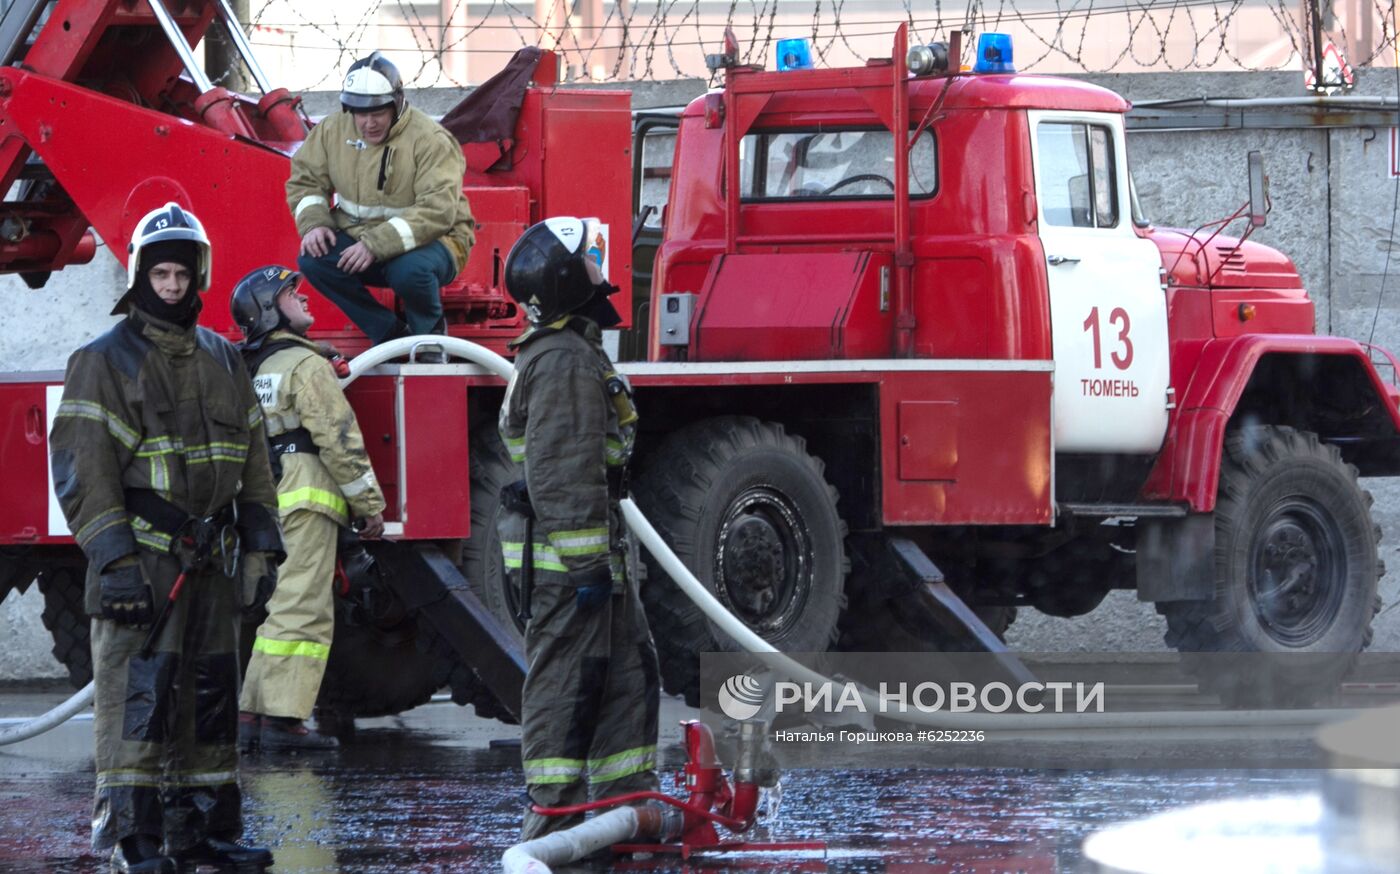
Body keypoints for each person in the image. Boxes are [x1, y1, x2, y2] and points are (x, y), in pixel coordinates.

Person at [49, 203, 283, 874]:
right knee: (138, 703)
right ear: (140, 275)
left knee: (209, 699)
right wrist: (114, 561)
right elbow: (82, 471)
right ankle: (135, 839)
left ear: (200, 272)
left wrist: (262, 544)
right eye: (162, 273)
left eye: (183, 273)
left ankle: (202, 833)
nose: (173, 286)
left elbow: (256, 460)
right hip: (143, 565)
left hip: (212, 562)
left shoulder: (222, 357)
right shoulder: (101, 361)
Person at [496, 217, 661, 840]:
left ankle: (626, 814)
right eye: (589, 258)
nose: (601, 264)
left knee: (626, 676)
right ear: (566, 277)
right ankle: (554, 820)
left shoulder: (571, 347)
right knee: (568, 682)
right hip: (571, 561)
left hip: (591, 555)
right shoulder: (563, 359)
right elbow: (563, 471)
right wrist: (588, 564)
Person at [230, 265, 387, 752]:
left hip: (267, 498)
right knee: (303, 610)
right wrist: (369, 505)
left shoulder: (250, 367)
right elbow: (340, 440)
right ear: (268, 310)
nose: (306, 299)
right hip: (308, 497)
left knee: (278, 606)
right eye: (291, 294)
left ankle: (255, 715)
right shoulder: (305, 366)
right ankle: (282, 721)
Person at [286, 51, 475, 359]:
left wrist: (375, 244)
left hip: (438, 241)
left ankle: (429, 340)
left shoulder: (430, 140)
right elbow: (306, 181)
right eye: (360, 114)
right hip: (364, 240)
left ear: (397, 105)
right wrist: (315, 223)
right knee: (313, 258)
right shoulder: (331, 131)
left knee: (407, 270)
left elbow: (438, 210)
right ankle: (390, 334)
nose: (368, 123)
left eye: (377, 114)